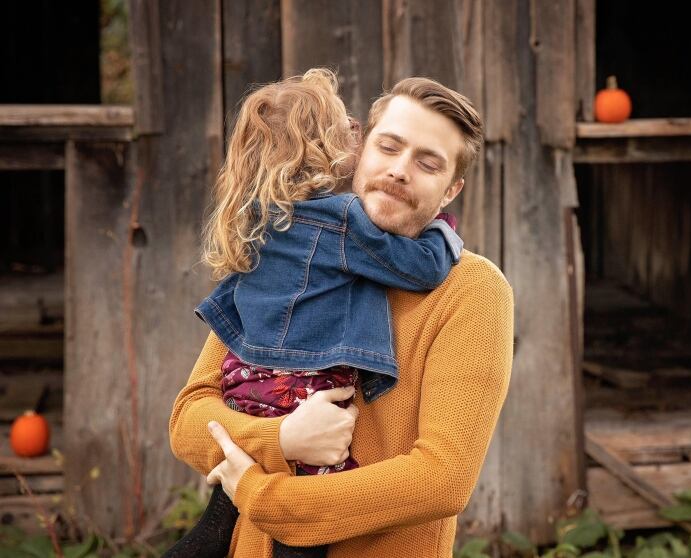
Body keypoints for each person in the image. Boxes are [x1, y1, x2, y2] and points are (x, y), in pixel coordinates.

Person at [169, 75, 514, 558]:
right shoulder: (289, 254)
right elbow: (190, 417)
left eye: (427, 163)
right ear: (358, 150)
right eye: (388, 147)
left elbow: (441, 479)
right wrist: (282, 438)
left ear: (451, 189)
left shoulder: (470, 289)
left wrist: (259, 493)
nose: (399, 170)